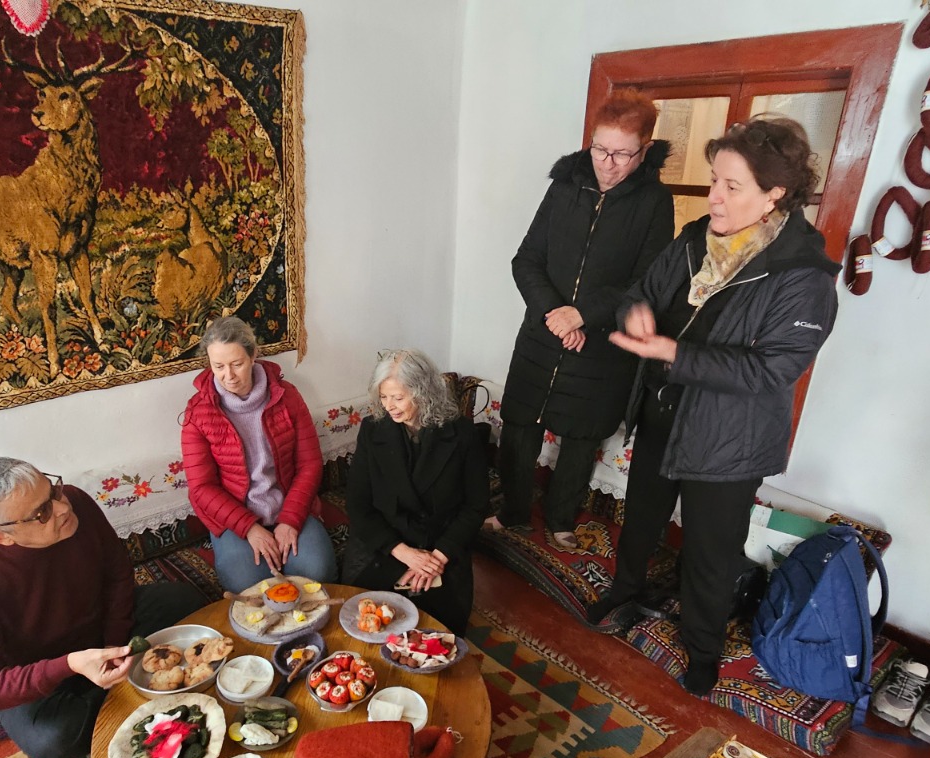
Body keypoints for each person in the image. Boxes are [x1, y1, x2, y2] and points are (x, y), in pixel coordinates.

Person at [592, 116, 840, 697]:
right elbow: (640, 295)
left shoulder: (803, 276)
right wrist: (637, 316)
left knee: (710, 551)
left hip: (728, 440)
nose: (714, 197)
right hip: (662, 413)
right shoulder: (694, 239)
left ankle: (701, 648)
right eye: (714, 181)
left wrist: (673, 352)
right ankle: (626, 589)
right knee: (642, 518)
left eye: (732, 186)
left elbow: (772, 369)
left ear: (774, 193)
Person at [490, 89, 675, 550]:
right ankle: (512, 512)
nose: (607, 163)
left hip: (600, 344)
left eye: (621, 153)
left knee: (581, 436)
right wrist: (556, 314)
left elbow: (646, 281)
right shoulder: (564, 187)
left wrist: (583, 317)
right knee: (519, 425)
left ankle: (559, 520)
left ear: (645, 150)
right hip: (543, 331)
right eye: (599, 149)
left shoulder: (654, 202)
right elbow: (525, 260)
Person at [0, 458, 205, 758]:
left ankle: (112, 686)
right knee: (53, 740)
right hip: (37, 671)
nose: (62, 508)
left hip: (98, 631)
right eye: (42, 513)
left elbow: (117, 573)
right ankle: (121, 689)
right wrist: (70, 665)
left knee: (183, 599)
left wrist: (111, 644)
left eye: (53, 491)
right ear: (1, 537)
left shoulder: (75, 502)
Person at [181, 316, 337, 592]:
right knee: (249, 586)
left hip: (289, 505)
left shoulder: (286, 396)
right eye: (218, 366)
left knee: (317, 573)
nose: (228, 376)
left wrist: (289, 520)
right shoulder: (198, 412)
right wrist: (250, 528)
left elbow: (309, 464)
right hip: (234, 517)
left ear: (253, 355)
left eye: (236, 364)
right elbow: (201, 488)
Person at [343, 349, 490, 634]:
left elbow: (476, 506)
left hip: (440, 543)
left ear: (424, 394)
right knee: (364, 620)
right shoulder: (373, 431)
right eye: (384, 397)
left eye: (398, 398)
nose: (390, 407)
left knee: (439, 627)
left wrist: (436, 558)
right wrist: (405, 553)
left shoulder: (462, 435)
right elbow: (358, 505)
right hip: (386, 541)